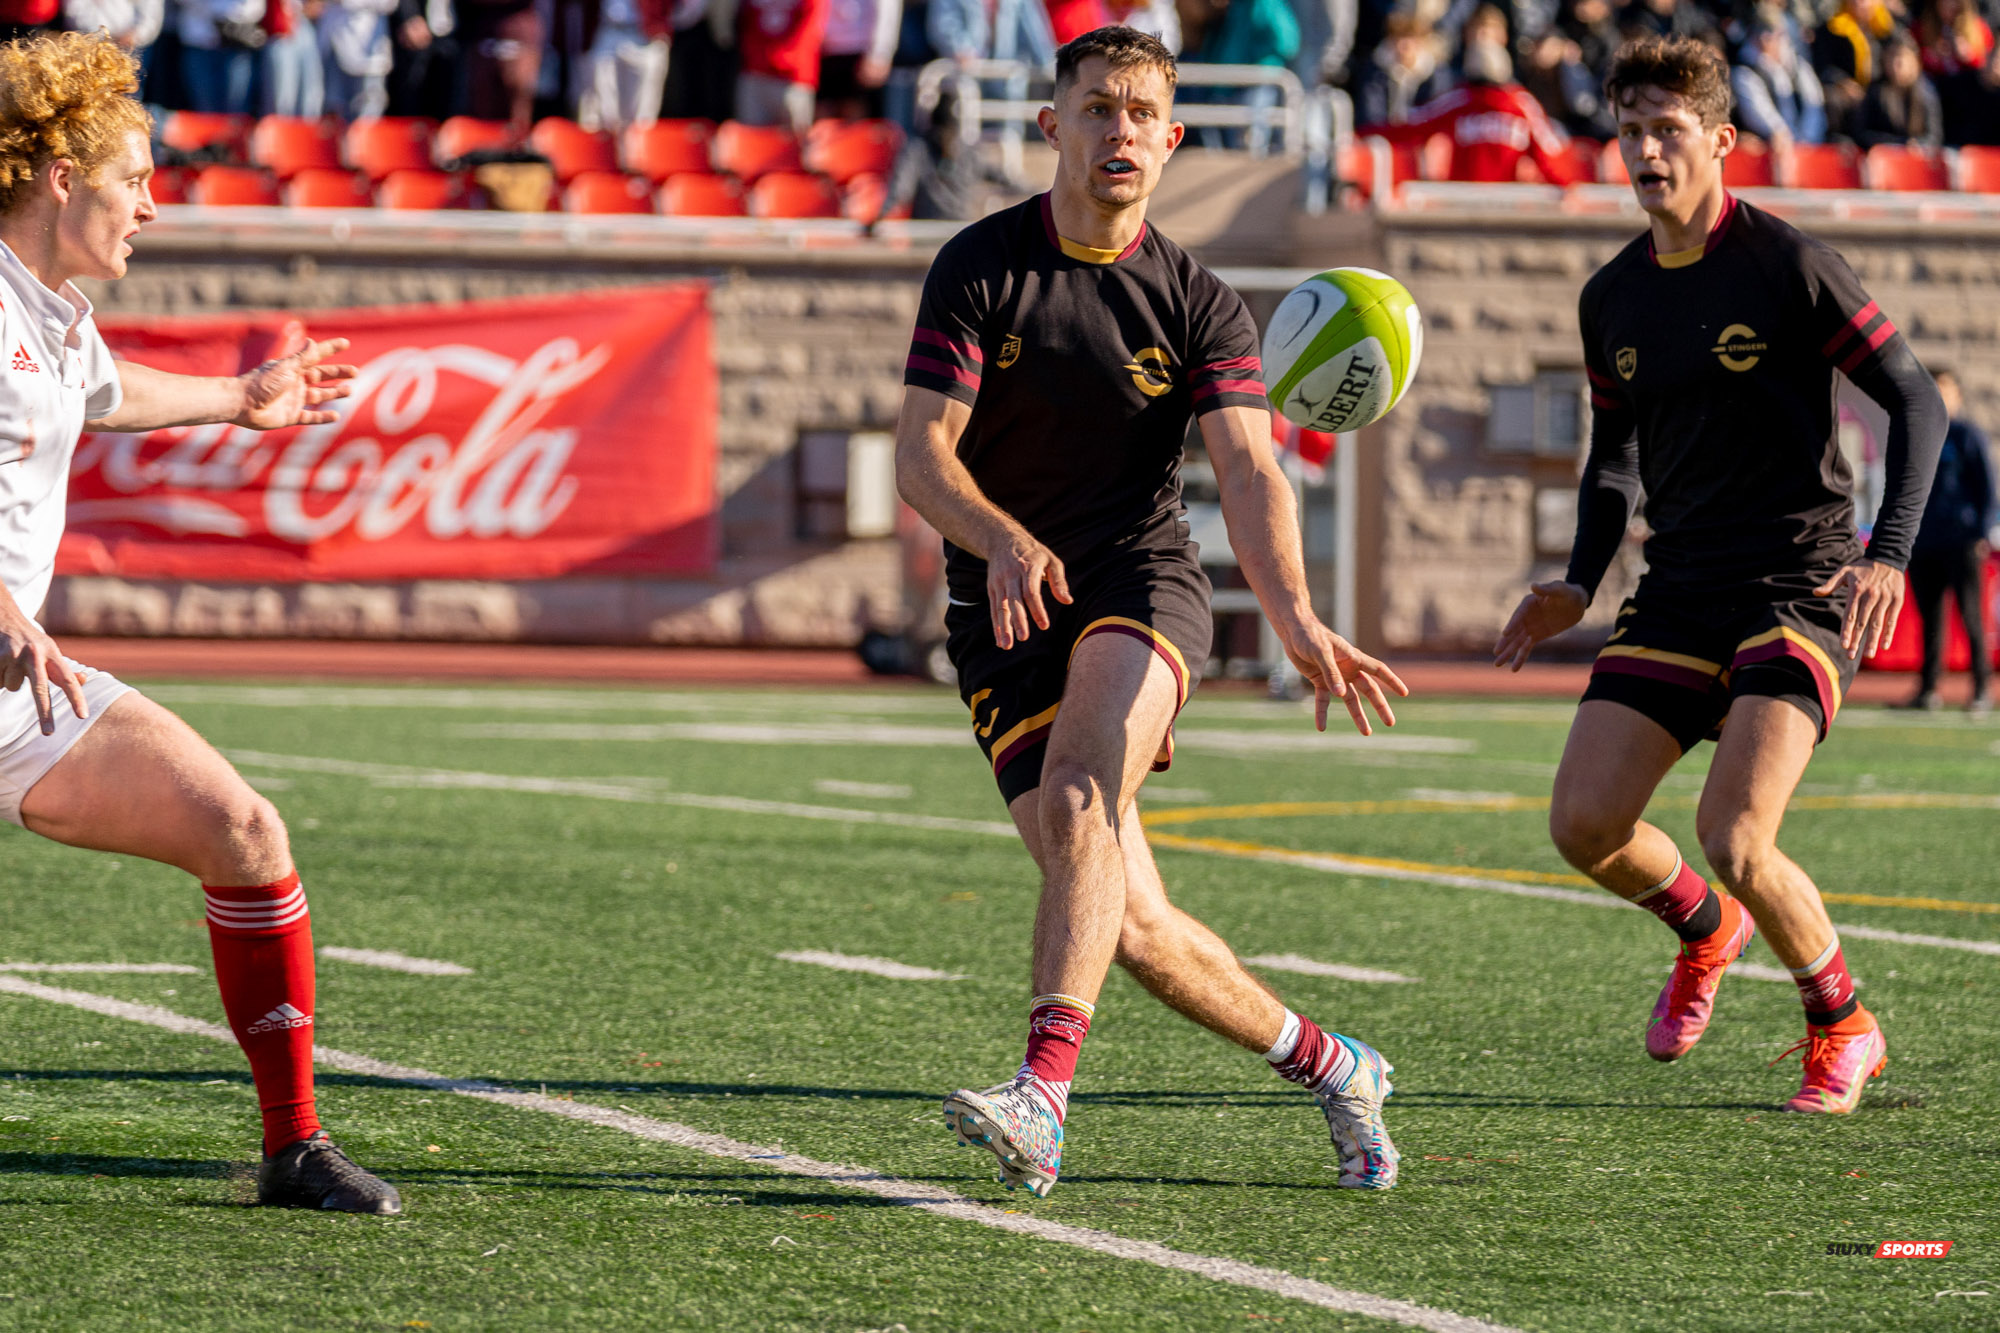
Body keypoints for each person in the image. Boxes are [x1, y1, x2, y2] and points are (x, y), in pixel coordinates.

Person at [896, 26, 1407, 1200]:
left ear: (1171, 140)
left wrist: (1293, 615)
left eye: (1140, 113)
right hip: (1003, 609)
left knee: (1079, 785)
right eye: (1096, 107)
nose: (1117, 130)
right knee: (1130, 924)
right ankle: (1336, 1065)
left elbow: (1248, 471)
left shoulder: (1199, 302)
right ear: (1052, 126)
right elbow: (922, 455)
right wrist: (1002, 538)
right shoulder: (978, 267)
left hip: (1142, 587)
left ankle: (1040, 1099)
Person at [1494, 35, 1945, 1115]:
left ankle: (1842, 1022)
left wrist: (1885, 555)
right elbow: (1612, 459)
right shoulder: (1610, 298)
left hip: (1796, 584)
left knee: (1736, 835)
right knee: (1582, 827)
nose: (1644, 150)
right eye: (1629, 130)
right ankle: (1705, 930)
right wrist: (1576, 580)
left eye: (1666, 130)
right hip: (1678, 589)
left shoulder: (1785, 263)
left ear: (1719, 142)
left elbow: (1915, 401)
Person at [0, 32, 399, 1211]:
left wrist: (241, 399)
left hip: (20, 691)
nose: (152, 208)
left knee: (243, 828)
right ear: (62, 177)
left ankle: (293, 1147)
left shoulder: (54, 314)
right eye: (135, 180)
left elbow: (109, 394)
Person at [1901, 368, 1997, 712]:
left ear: (1957, 394)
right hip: (1923, 542)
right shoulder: (1917, 433)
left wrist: (1981, 533)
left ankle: (1982, 690)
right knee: (1930, 620)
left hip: (1962, 542)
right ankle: (1928, 690)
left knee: (1971, 617)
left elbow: (1986, 488)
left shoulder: (1967, 435)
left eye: (1945, 390)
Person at [1366, 41, 1577, 183]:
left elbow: (1412, 125)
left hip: (1468, 202)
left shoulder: (1461, 100)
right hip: (1495, 204)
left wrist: (1365, 132)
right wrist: (1569, 185)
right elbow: (1550, 153)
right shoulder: (1521, 103)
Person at [1849, 30, 1943, 147]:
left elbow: (1934, 137)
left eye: (1901, 58)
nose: (1895, 65)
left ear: (1914, 60)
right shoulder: (1875, 91)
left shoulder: (1926, 91)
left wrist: (1917, 145)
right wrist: (1898, 143)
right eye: (1891, 57)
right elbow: (1861, 133)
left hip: (1917, 158)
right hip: (1884, 157)